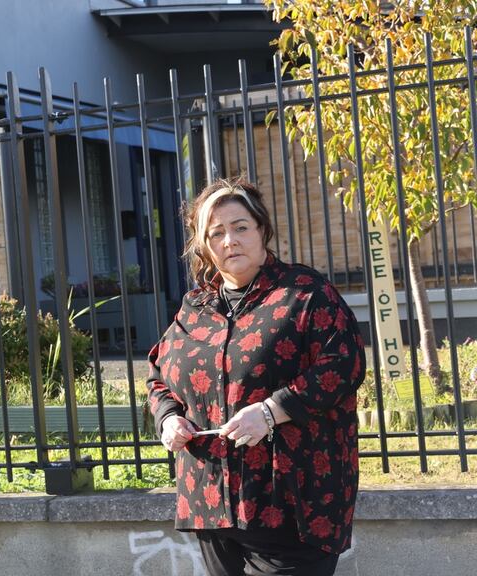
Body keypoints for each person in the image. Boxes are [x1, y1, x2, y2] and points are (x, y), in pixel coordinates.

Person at [146, 178, 365, 575]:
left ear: (262, 230)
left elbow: (342, 364)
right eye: (217, 232)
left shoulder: (304, 293)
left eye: (240, 227)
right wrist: (168, 417)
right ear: (204, 246)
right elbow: (159, 374)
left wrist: (270, 412)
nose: (230, 240)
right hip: (211, 502)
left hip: (291, 503)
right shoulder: (195, 307)